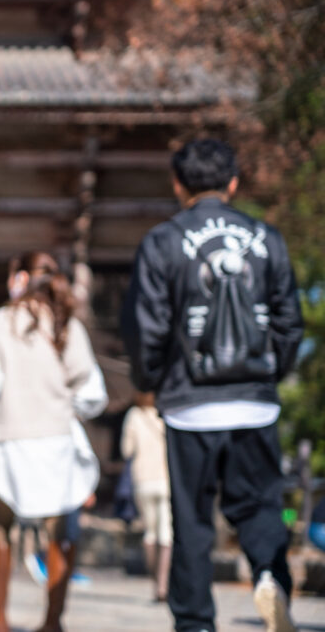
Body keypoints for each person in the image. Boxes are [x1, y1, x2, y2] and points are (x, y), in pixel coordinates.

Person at [121, 139, 304, 632]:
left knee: (193, 521)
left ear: (178, 184)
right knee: (261, 508)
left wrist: (151, 381)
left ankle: (196, 621)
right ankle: (270, 579)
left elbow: (148, 327)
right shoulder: (266, 238)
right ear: (233, 183)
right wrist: (272, 373)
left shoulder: (163, 241)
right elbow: (289, 319)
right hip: (254, 403)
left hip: (190, 405)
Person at [0, 251, 107, 632]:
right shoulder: (68, 324)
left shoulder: (0, 323)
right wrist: (62, 404)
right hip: (57, 441)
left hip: (11, 440)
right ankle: (53, 621)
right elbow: (93, 393)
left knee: (0, 527)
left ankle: (1, 618)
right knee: (60, 531)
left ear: (20, 278)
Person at [121, 391, 172, 602]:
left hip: (143, 480)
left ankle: (154, 581)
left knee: (149, 534)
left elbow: (126, 450)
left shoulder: (134, 415)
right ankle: (163, 585)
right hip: (166, 479)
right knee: (166, 534)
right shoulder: (167, 412)